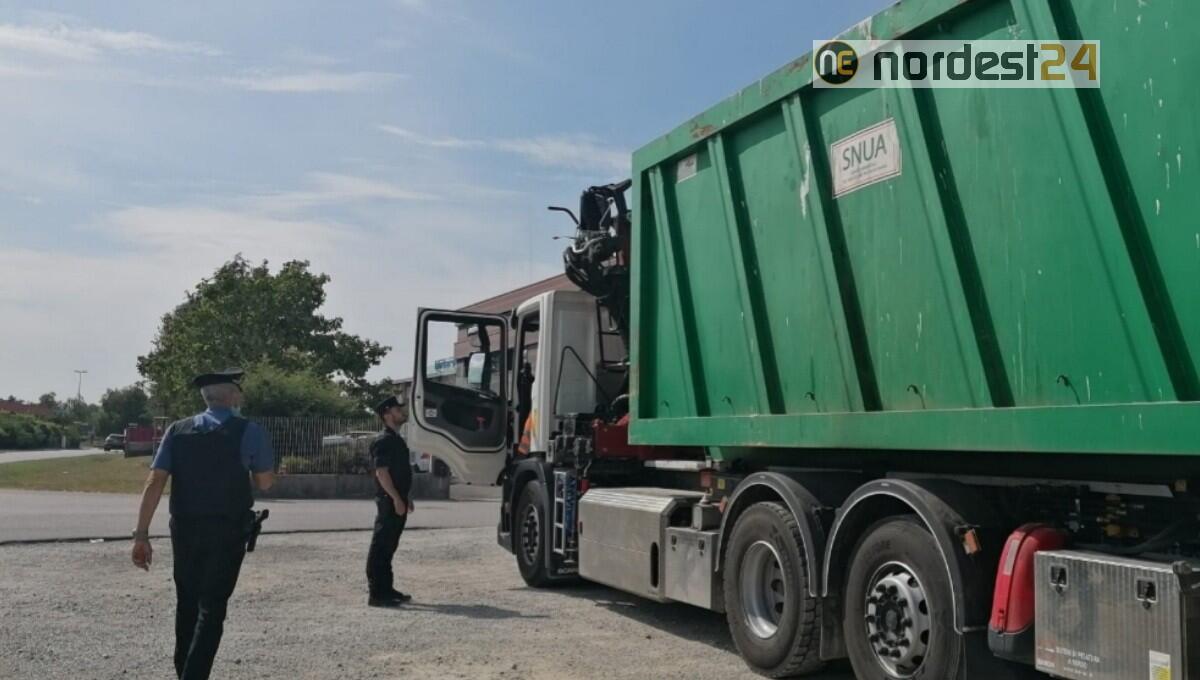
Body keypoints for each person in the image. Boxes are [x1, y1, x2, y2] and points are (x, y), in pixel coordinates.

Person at [130, 368, 275, 680]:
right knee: (212, 607)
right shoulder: (249, 431)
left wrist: (141, 534)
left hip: (184, 528)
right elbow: (264, 482)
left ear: (206, 398)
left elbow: (155, 481)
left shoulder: (177, 430)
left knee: (188, 603)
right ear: (232, 396)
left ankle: (184, 670)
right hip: (228, 529)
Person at [366, 394, 415, 607]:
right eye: (396, 409)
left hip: (397, 498)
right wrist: (395, 498)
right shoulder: (384, 440)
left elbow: (398, 473)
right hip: (389, 500)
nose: (401, 412)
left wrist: (406, 496)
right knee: (381, 546)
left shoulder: (395, 439)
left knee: (389, 546)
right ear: (386, 414)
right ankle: (377, 593)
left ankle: (387, 589)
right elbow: (382, 473)